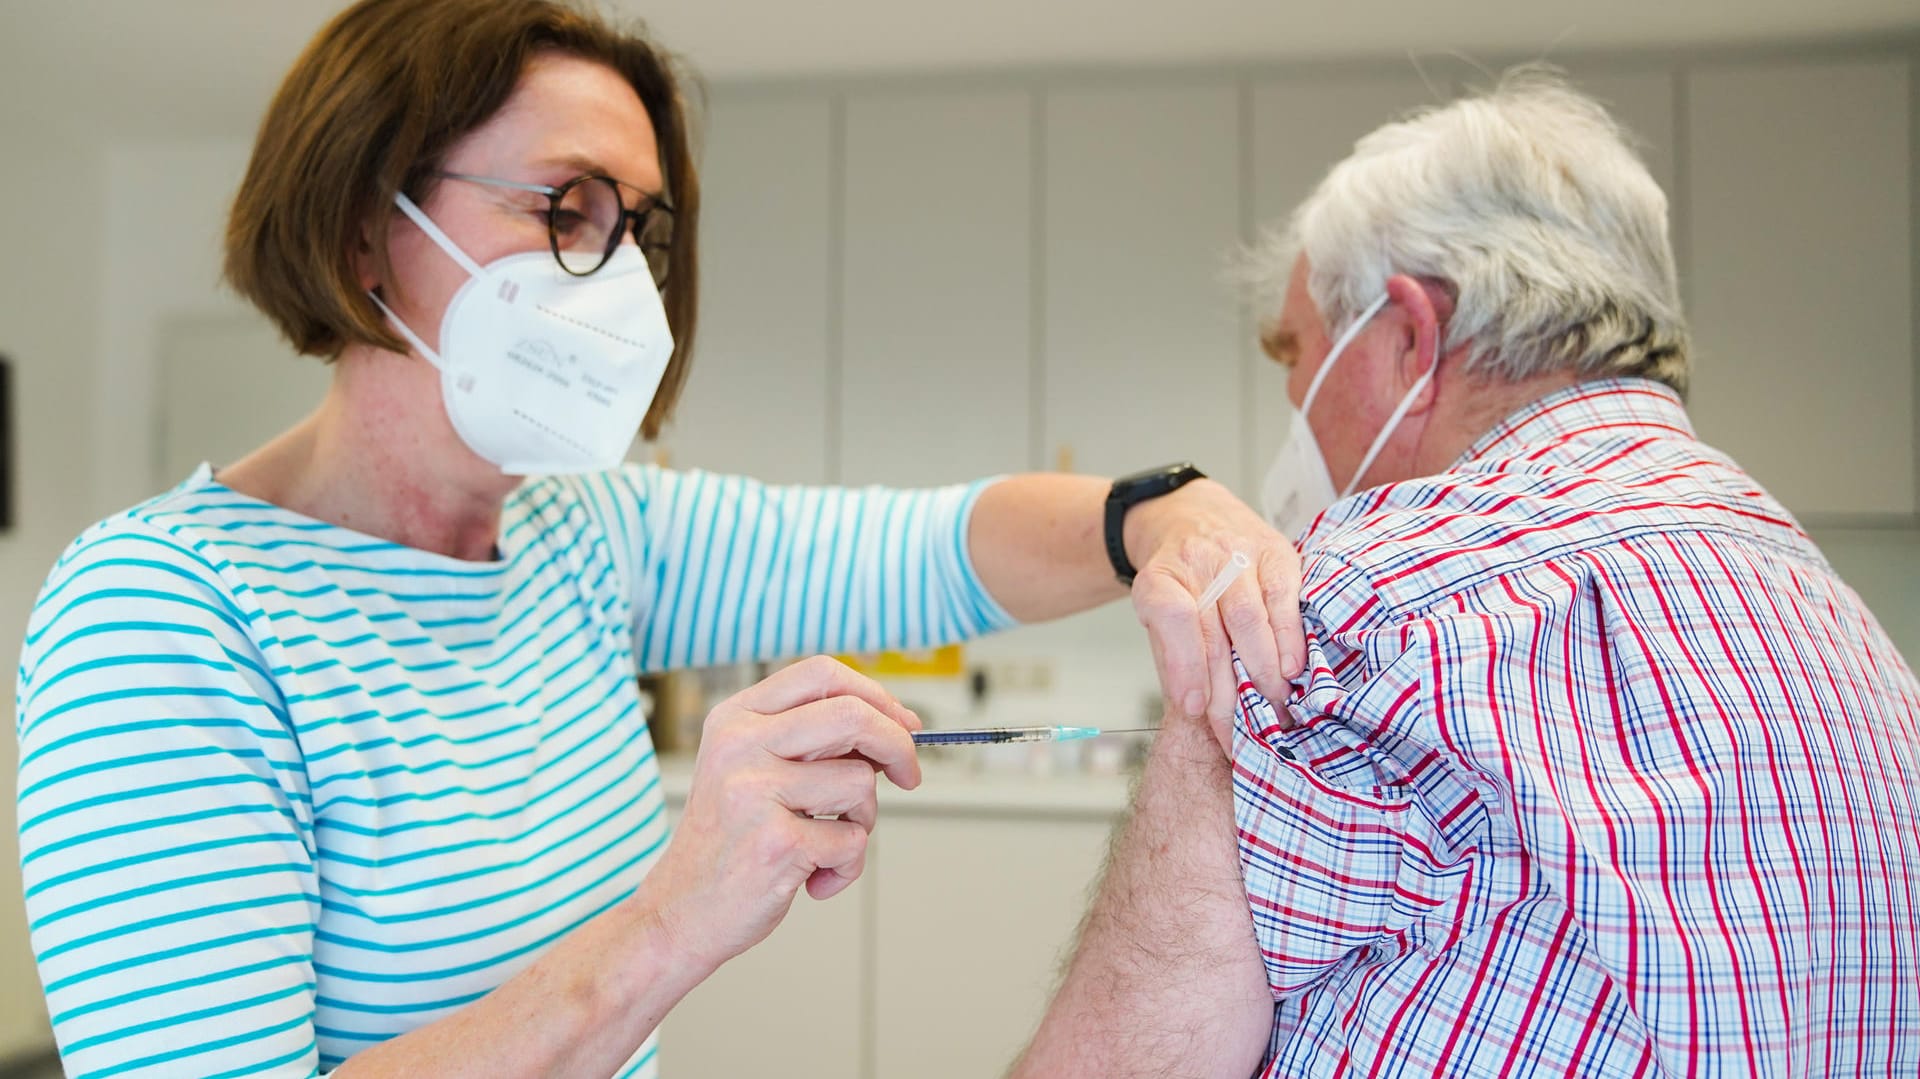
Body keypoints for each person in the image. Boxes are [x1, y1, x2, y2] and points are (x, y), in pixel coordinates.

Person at [12, 2, 1306, 1076]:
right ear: (366, 227)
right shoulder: (161, 617)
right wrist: (672, 920)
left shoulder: (583, 533)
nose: (620, 280)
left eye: (639, 228)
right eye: (565, 209)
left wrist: (1154, 510)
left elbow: (924, 548)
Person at [1013, 67, 1920, 1078]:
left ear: (1406, 338)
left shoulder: (1356, 603)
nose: (1295, 404)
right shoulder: (1850, 636)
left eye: (1296, 356)